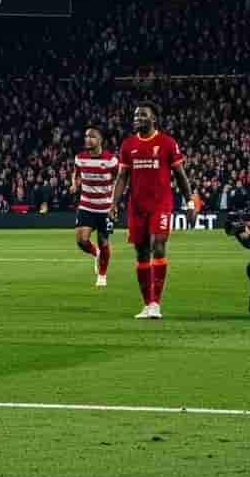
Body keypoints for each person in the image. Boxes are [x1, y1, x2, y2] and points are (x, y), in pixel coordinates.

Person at [109, 102, 197, 319]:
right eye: (136, 115)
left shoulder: (167, 143)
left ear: (153, 119)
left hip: (161, 205)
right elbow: (122, 177)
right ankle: (147, 304)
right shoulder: (128, 145)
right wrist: (113, 203)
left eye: (143, 115)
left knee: (158, 246)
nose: (137, 118)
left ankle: (156, 303)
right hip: (137, 206)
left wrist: (190, 202)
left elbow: (180, 175)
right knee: (141, 253)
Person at [70, 125, 119, 288]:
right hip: (86, 206)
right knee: (81, 240)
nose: (87, 139)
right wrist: (75, 184)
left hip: (105, 208)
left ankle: (102, 276)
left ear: (100, 140)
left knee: (103, 240)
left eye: (91, 136)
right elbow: (76, 173)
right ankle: (96, 254)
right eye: (86, 136)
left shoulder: (110, 160)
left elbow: (120, 180)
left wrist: (115, 203)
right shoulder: (80, 158)